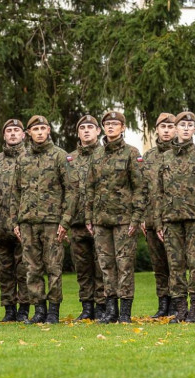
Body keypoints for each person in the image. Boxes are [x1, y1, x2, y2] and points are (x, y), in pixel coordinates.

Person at [8, 115, 75, 324]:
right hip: (27, 222)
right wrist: (14, 222)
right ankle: (38, 310)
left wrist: (65, 221)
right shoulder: (23, 159)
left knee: (53, 267)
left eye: (43, 128)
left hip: (52, 222)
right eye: (35, 129)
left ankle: (53, 310)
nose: (39, 132)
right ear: (29, 133)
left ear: (48, 131)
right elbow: (15, 192)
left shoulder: (59, 156)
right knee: (32, 269)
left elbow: (71, 190)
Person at [86, 111, 146, 324]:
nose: (111, 127)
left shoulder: (131, 153)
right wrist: (89, 217)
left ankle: (125, 313)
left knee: (124, 265)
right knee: (106, 266)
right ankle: (110, 310)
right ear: (103, 128)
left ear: (123, 128)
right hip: (101, 220)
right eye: (107, 124)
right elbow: (90, 188)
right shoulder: (97, 155)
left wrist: (136, 217)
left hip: (124, 220)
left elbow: (140, 187)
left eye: (115, 124)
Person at [156, 111, 195, 323]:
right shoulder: (164, 158)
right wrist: (158, 222)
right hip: (171, 220)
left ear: (194, 130)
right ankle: (180, 309)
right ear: (176, 128)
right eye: (183, 125)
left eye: (191, 125)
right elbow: (158, 192)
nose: (186, 128)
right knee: (175, 265)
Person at [0, 118, 29, 322]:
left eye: (17, 130)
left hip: (23, 226)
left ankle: (23, 309)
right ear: (4, 135)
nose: (13, 134)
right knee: (4, 272)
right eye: (9, 131)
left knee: (24, 270)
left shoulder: (30, 158)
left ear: (24, 134)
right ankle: (9, 309)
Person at [67, 115, 105, 321]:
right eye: (83, 128)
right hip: (77, 222)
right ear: (78, 132)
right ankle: (87, 306)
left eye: (91, 127)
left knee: (101, 267)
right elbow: (65, 190)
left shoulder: (105, 154)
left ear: (98, 131)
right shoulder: (70, 159)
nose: (87, 131)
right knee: (82, 268)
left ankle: (101, 306)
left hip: (100, 221)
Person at [142, 112, 176, 318]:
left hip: (173, 218)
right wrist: (144, 218)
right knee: (159, 266)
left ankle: (177, 303)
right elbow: (142, 190)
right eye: (163, 127)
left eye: (170, 127)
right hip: (152, 220)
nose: (166, 130)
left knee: (176, 264)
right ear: (157, 130)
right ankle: (163, 303)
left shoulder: (180, 154)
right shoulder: (148, 157)